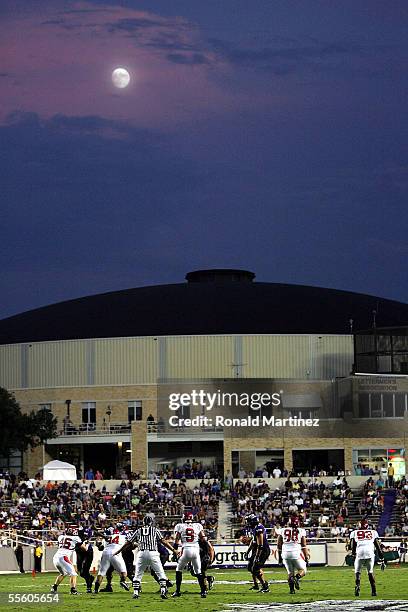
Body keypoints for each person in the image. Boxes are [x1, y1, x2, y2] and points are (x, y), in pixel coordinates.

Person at [115, 515, 176, 600]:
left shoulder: (138, 531)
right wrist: (174, 550)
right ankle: (163, 590)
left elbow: (128, 542)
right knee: (160, 573)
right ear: (151, 522)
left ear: (143, 523)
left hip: (142, 553)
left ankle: (135, 593)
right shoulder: (155, 530)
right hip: (153, 553)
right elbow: (163, 541)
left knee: (138, 574)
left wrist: (119, 550)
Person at [172, 511, 208, 598]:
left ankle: (177, 591)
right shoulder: (197, 525)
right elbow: (203, 539)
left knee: (178, 570)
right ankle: (203, 592)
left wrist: (174, 553)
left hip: (186, 550)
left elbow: (176, 541)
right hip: (195, 550)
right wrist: (206, 552)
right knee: (198, 571)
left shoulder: (180, 526)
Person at [349, 518, 384, 597]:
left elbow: (353, 545)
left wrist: (353, 553)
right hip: (370, 553)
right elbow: (378, 547)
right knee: (370, 572)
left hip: (360, 552)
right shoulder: (373, 532)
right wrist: (382, 559)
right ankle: (374, 591)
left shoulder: (354, 533)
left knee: (357, 572)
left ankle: (357, 586)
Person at [277, 515, 309, 594]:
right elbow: (304, 546)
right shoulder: (301, 531)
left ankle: (292, 590)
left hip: (285, 554)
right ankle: (297, 578)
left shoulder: (282, 530)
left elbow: (279, 545)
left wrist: (280, 558)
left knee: (290, 573)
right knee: (303, 570)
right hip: (295, 553)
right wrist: (306, 558)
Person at [94, 524, 130, 594]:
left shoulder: (108, 537)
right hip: (116, 553)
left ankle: (95, 590)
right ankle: (122, 581)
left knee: (101, 572)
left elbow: (101, 548)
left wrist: (98, 544)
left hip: (105, 553)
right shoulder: (123, 536)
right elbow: (130, 543)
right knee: (123, 572)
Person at [51, 526, 86, 596]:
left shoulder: (61, 537)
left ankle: (54, 587)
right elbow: (84, 549)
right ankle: (73, 590)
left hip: (56, 557)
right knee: (74, 574)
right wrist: (84, 543)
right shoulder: (76, 538)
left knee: (64, 573)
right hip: (64, 557)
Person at [244, 513, 270, 593]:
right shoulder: (255, 528)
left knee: (255, 568)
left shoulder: (259, 528)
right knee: (250, 567)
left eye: (248, 521)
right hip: (258, 550)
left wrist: (257, 556)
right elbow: (253, 541)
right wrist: (248, 551)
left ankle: (265, 586)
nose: (247, 523)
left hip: (262, 550)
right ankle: (256, 585)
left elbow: (260, 545)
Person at [76, 526, 94, 593]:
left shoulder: (82, 539)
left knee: (84, 572)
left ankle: (89, 587)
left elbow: (85, 548)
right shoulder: (77, 538)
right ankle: (90, 579)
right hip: (80, 554)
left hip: (87, 553)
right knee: (81, 572)